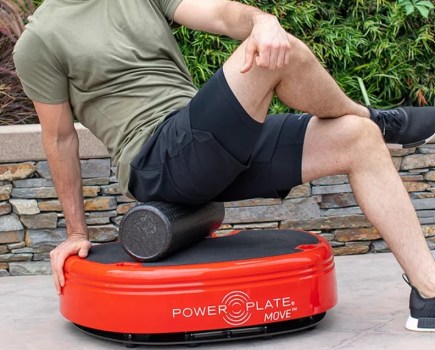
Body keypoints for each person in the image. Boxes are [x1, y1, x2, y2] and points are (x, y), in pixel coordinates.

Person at [12, 0, 435, 332]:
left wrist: (264, 20)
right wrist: (75, 233)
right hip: (157, 159)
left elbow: (219, 12)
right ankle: (371, 115)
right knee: (274, 57)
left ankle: (428, 290)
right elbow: (59, 137)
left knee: (356, 140)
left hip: (206, 139)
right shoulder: (40, 39)